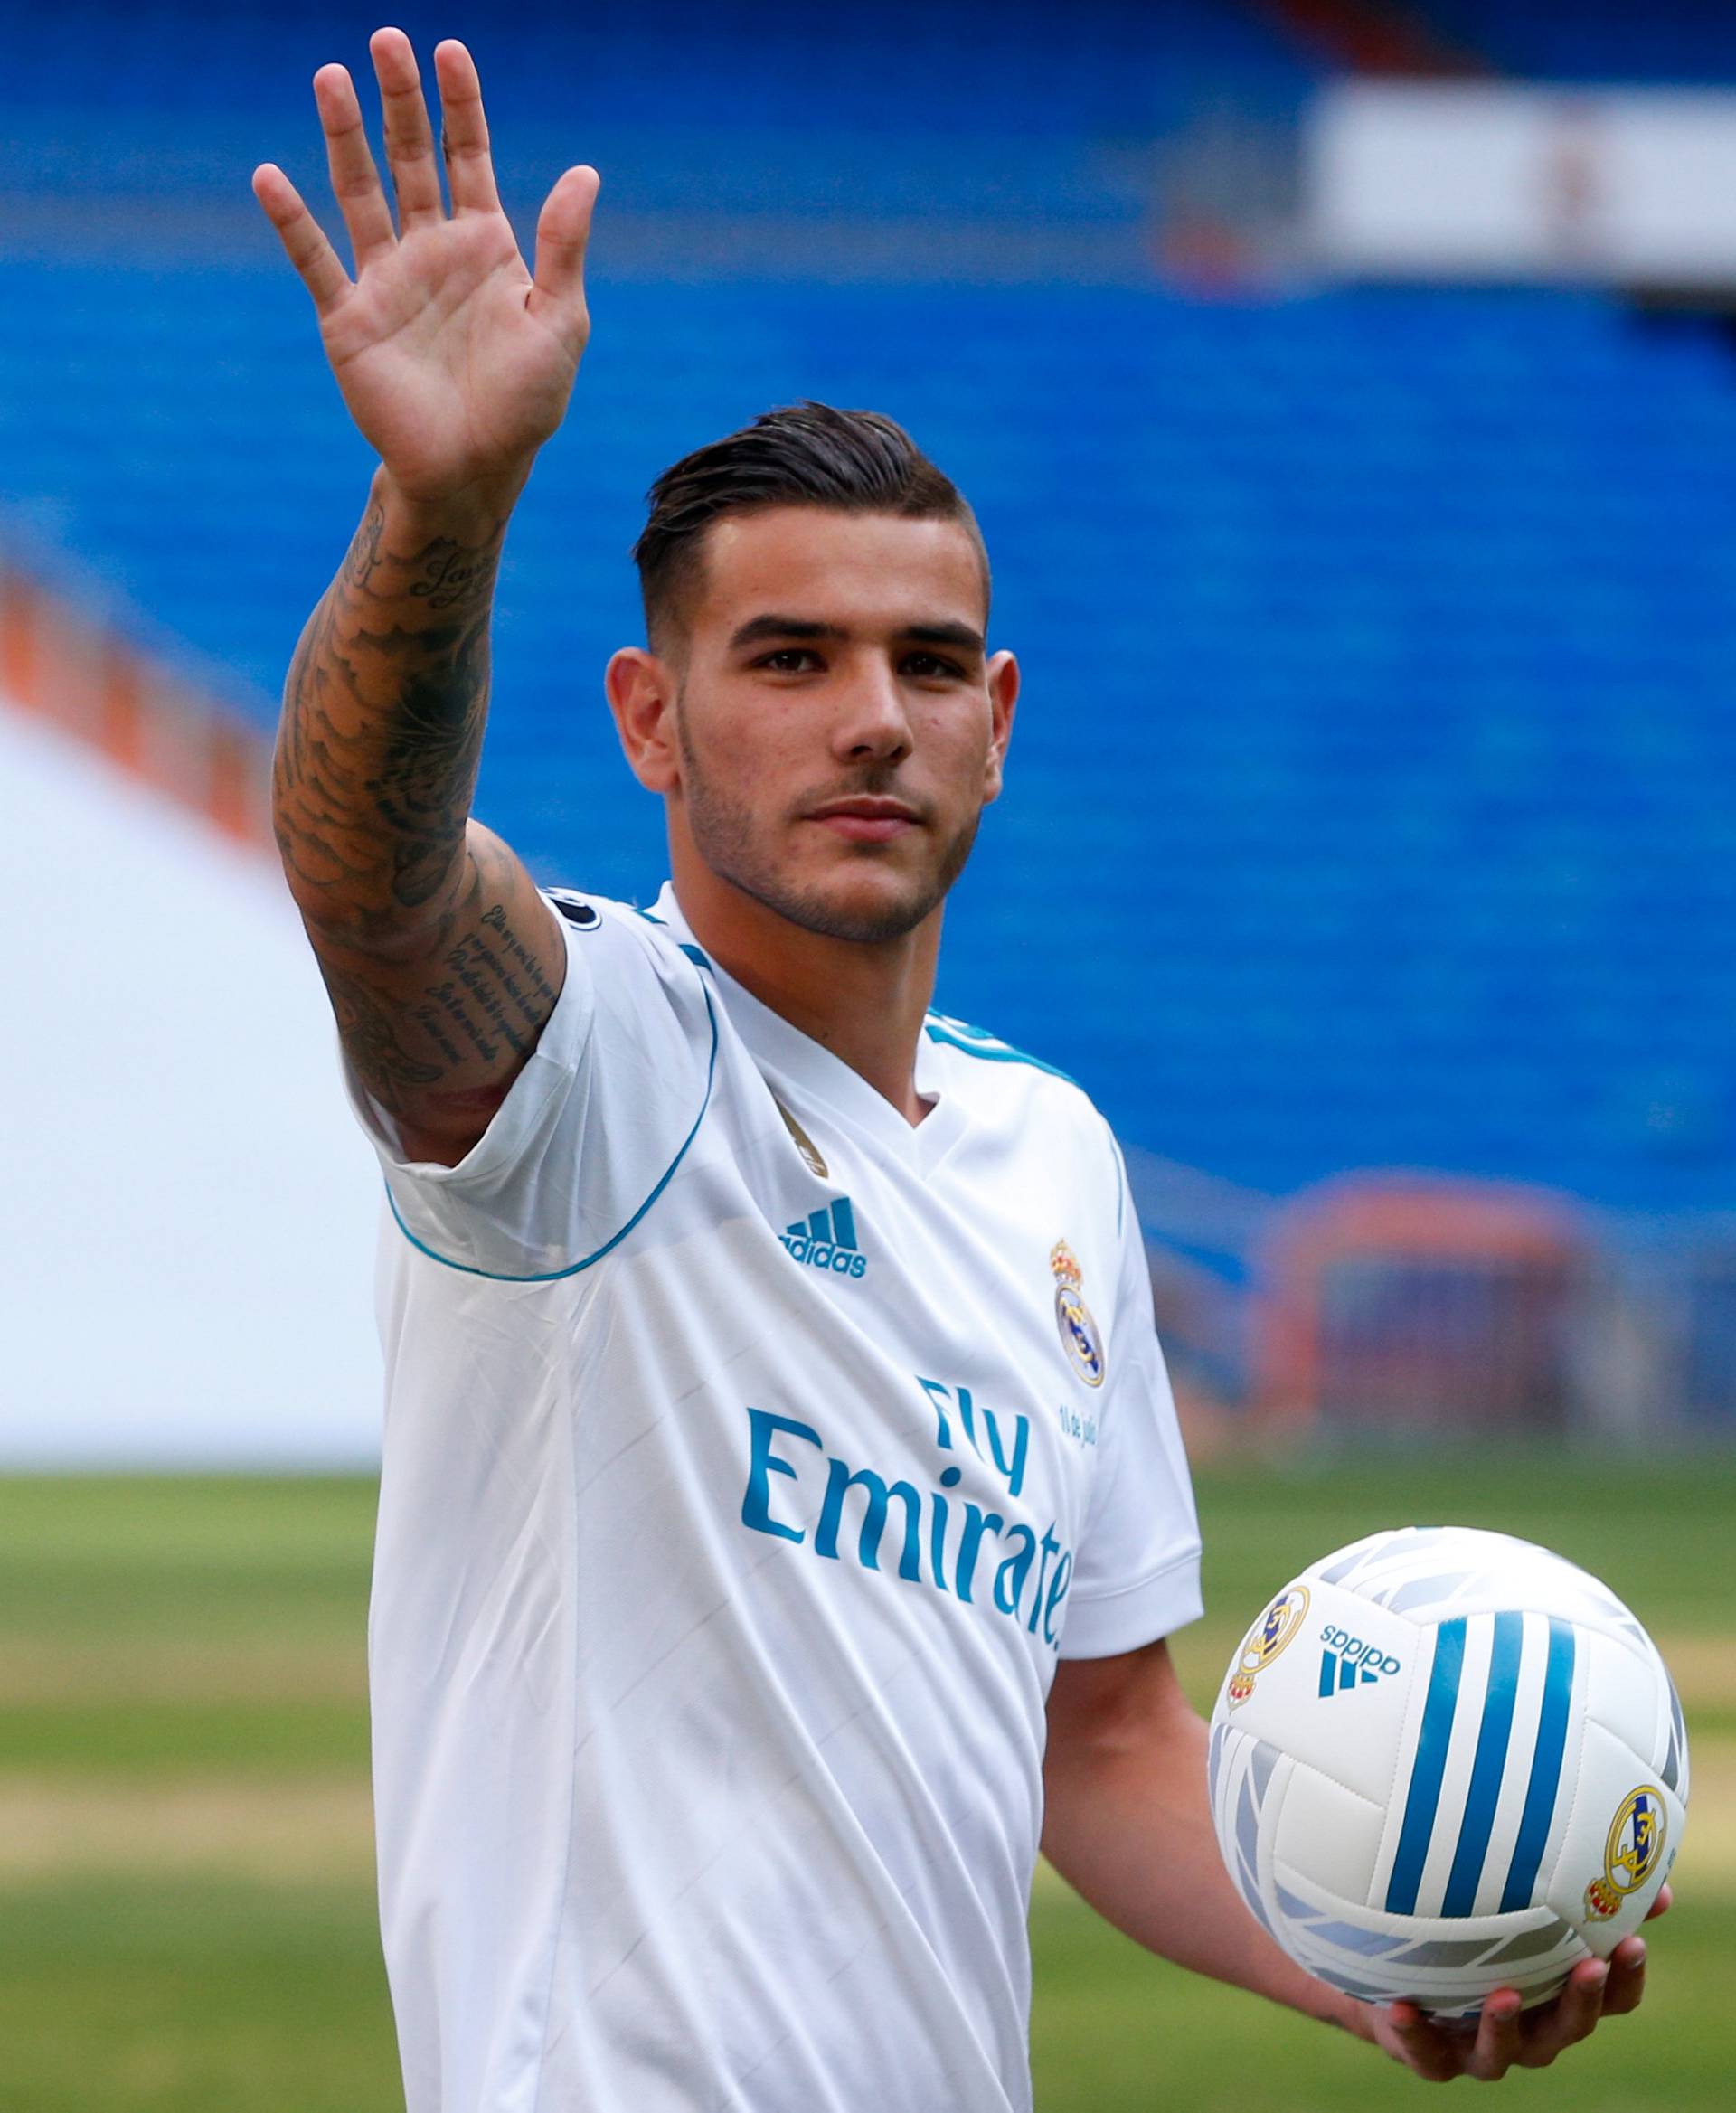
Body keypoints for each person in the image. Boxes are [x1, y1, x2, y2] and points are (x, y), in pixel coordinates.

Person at [252, 29, 1664, 2113]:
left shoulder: (1055, 1161)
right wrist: (439, 505)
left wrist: (1373, 1966)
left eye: (926, 664)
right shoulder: (595, 1076)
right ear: (648, 717)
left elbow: (1100, 1742)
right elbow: (373, 891)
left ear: (998, 714)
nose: (874, 720)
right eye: (791, 658)